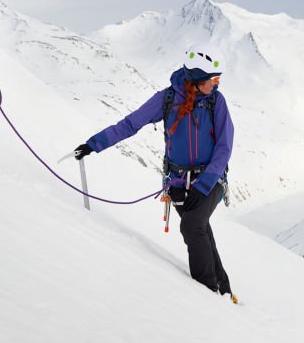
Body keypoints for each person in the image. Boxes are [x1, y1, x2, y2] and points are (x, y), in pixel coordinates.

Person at [74, 43, 236, 299]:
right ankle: (224, 291)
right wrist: (95, 144)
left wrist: (205, 184)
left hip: (211, 179)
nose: (217, 84)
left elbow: (225, 147)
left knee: (193, 227)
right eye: (213, 78)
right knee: (200, 230)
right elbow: (131, 123)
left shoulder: (216, 101)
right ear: (196, 77)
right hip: (178, 182)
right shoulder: (168, 98)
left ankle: (208, 293)